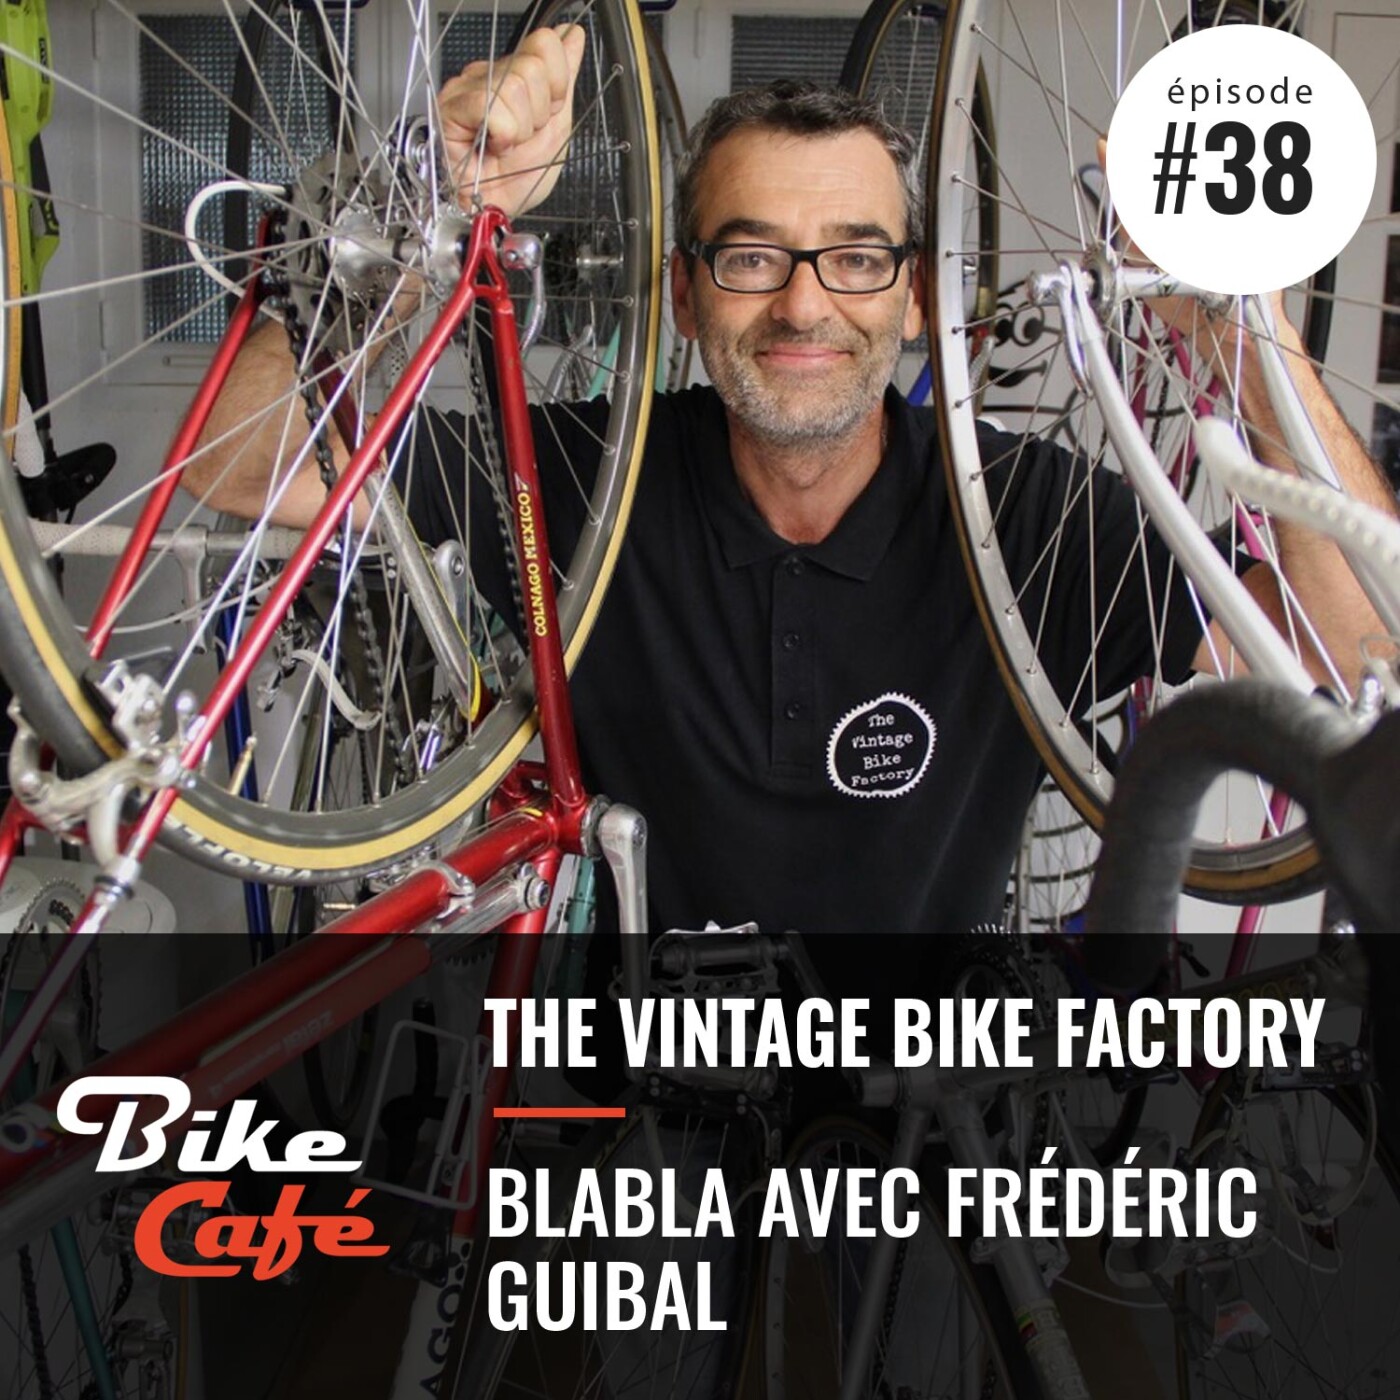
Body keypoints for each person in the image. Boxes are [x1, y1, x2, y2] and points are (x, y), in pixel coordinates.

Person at [190, 27, 1394, 961]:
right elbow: (241, 461)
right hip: (642, 1115)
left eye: (856, 258)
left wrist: (1240, 332)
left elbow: (1356, 651)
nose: (805, 305)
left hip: (935, 1124)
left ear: (913, 297)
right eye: (751, 256)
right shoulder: (583, 477)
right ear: (683, 292)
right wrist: (418, 208)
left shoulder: (1024, 515)